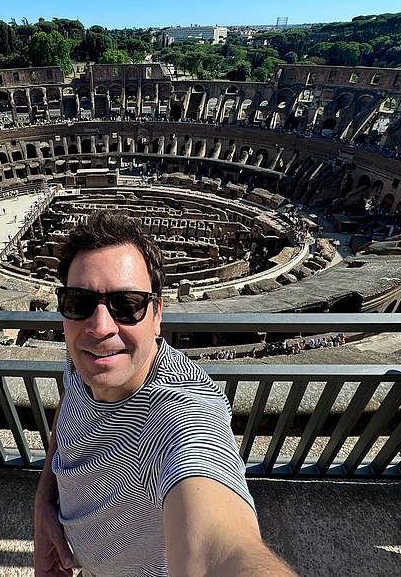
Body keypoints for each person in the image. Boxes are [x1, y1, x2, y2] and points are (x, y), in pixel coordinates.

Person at [34, 210, 296, 577]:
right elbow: (70, 403)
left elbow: (221, 552)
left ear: (157, 314)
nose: (99, 326)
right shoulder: (84, 356)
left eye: (127, 305)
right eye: (79, 302)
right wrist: (45, 496)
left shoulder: (176, 416)